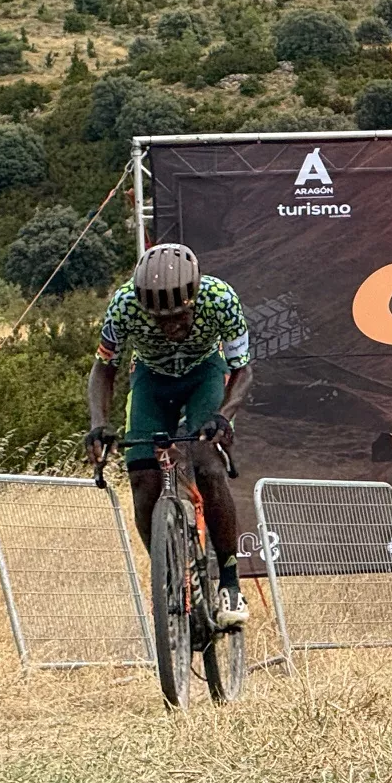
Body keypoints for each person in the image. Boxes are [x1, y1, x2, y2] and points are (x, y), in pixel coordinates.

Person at [88, 242, 254, 626]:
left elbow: (243, 370)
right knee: (141, 478)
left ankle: (230, 582)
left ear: (194, 298)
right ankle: (168, 578)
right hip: (151, 379)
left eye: (179, 316)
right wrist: (98, 422)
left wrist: (223, 416)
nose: (170, 327)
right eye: (159, 319)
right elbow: (103, 368)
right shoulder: (124, 305)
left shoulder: (220, 298)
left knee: (208, 466)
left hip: (204, 374)